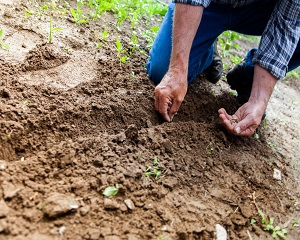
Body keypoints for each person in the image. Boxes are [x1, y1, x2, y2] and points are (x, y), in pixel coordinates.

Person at [146, 0, 300, 136]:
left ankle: (250, 77)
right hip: (212, 5)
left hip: (260, 10)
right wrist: (177, 70)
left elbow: (288, 24)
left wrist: (258, 100)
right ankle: (206, 49)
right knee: (163, 71)